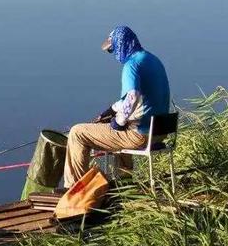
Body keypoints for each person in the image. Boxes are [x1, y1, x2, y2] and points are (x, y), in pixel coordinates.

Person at [63, 26, 170, 188]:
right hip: (159, 132)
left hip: (140, 136)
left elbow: (132, 96)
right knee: (122, 127)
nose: (113, 54)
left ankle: (73, 189)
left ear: (121, 44)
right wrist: (111, 111)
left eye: (113, 49)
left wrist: (118, 122)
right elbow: (136, 97)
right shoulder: (152, 60)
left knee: (77, 133)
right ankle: (125, 184)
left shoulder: (131, 66)